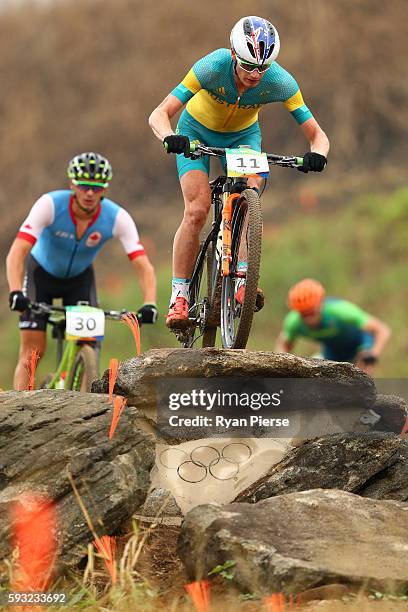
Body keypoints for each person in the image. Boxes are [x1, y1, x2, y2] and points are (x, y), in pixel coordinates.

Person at [149, 15, 330, 328]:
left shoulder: (281, 82)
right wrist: (170, 137)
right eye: (248, 66)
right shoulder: (211, 66)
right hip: (196, 132)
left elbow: (318, 134)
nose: (255, 75)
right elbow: (159, 113)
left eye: (263, 67)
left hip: (243, 138)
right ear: (233, 55)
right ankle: (179, 295)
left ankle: (243, 276)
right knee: (197, 209)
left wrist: (318, 155)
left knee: (249, 194)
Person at [6, 152, 157, 390]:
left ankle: (85, 400)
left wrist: (149, 303)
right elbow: (17, 252)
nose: (89, 193)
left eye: (96, 188)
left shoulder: (116, 217)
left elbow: (143, 265)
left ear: (105, 190)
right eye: (84, 186)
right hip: (40, 277)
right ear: (71, 184)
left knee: (90, 343)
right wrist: (16, 292)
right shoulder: (50, 205)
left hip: (79, 280)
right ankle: (18, 411)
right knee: (33, 353)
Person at [275, 279, 391, 375]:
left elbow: (382, 330)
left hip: (360, 348)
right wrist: (284, 367)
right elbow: (283, 345)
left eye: (311, 312)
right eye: (303, 314)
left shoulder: (340, 311)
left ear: (321, 303)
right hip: (331, 354)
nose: (308, 319)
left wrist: (372, 356)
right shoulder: (293, 322)